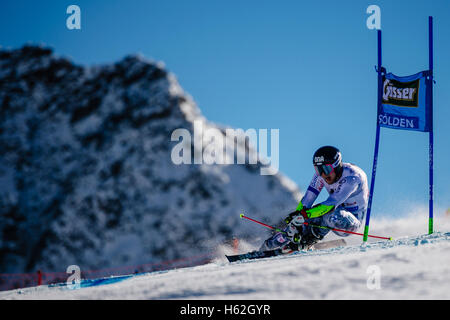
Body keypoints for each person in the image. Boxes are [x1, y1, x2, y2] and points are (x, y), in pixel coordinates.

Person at [260, 146, 369, 252]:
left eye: (326, 169)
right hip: (330, 213)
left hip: (349, 223)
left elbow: (330, 204)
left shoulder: (352, 178)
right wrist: (297, 218)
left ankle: (307, 242)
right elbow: (308, 199)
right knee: (296, 223)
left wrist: (303, 215)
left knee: (331, 214)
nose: (322, 174)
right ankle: (267, 247)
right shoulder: (321, 176)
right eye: (318, 169)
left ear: (337, 165)